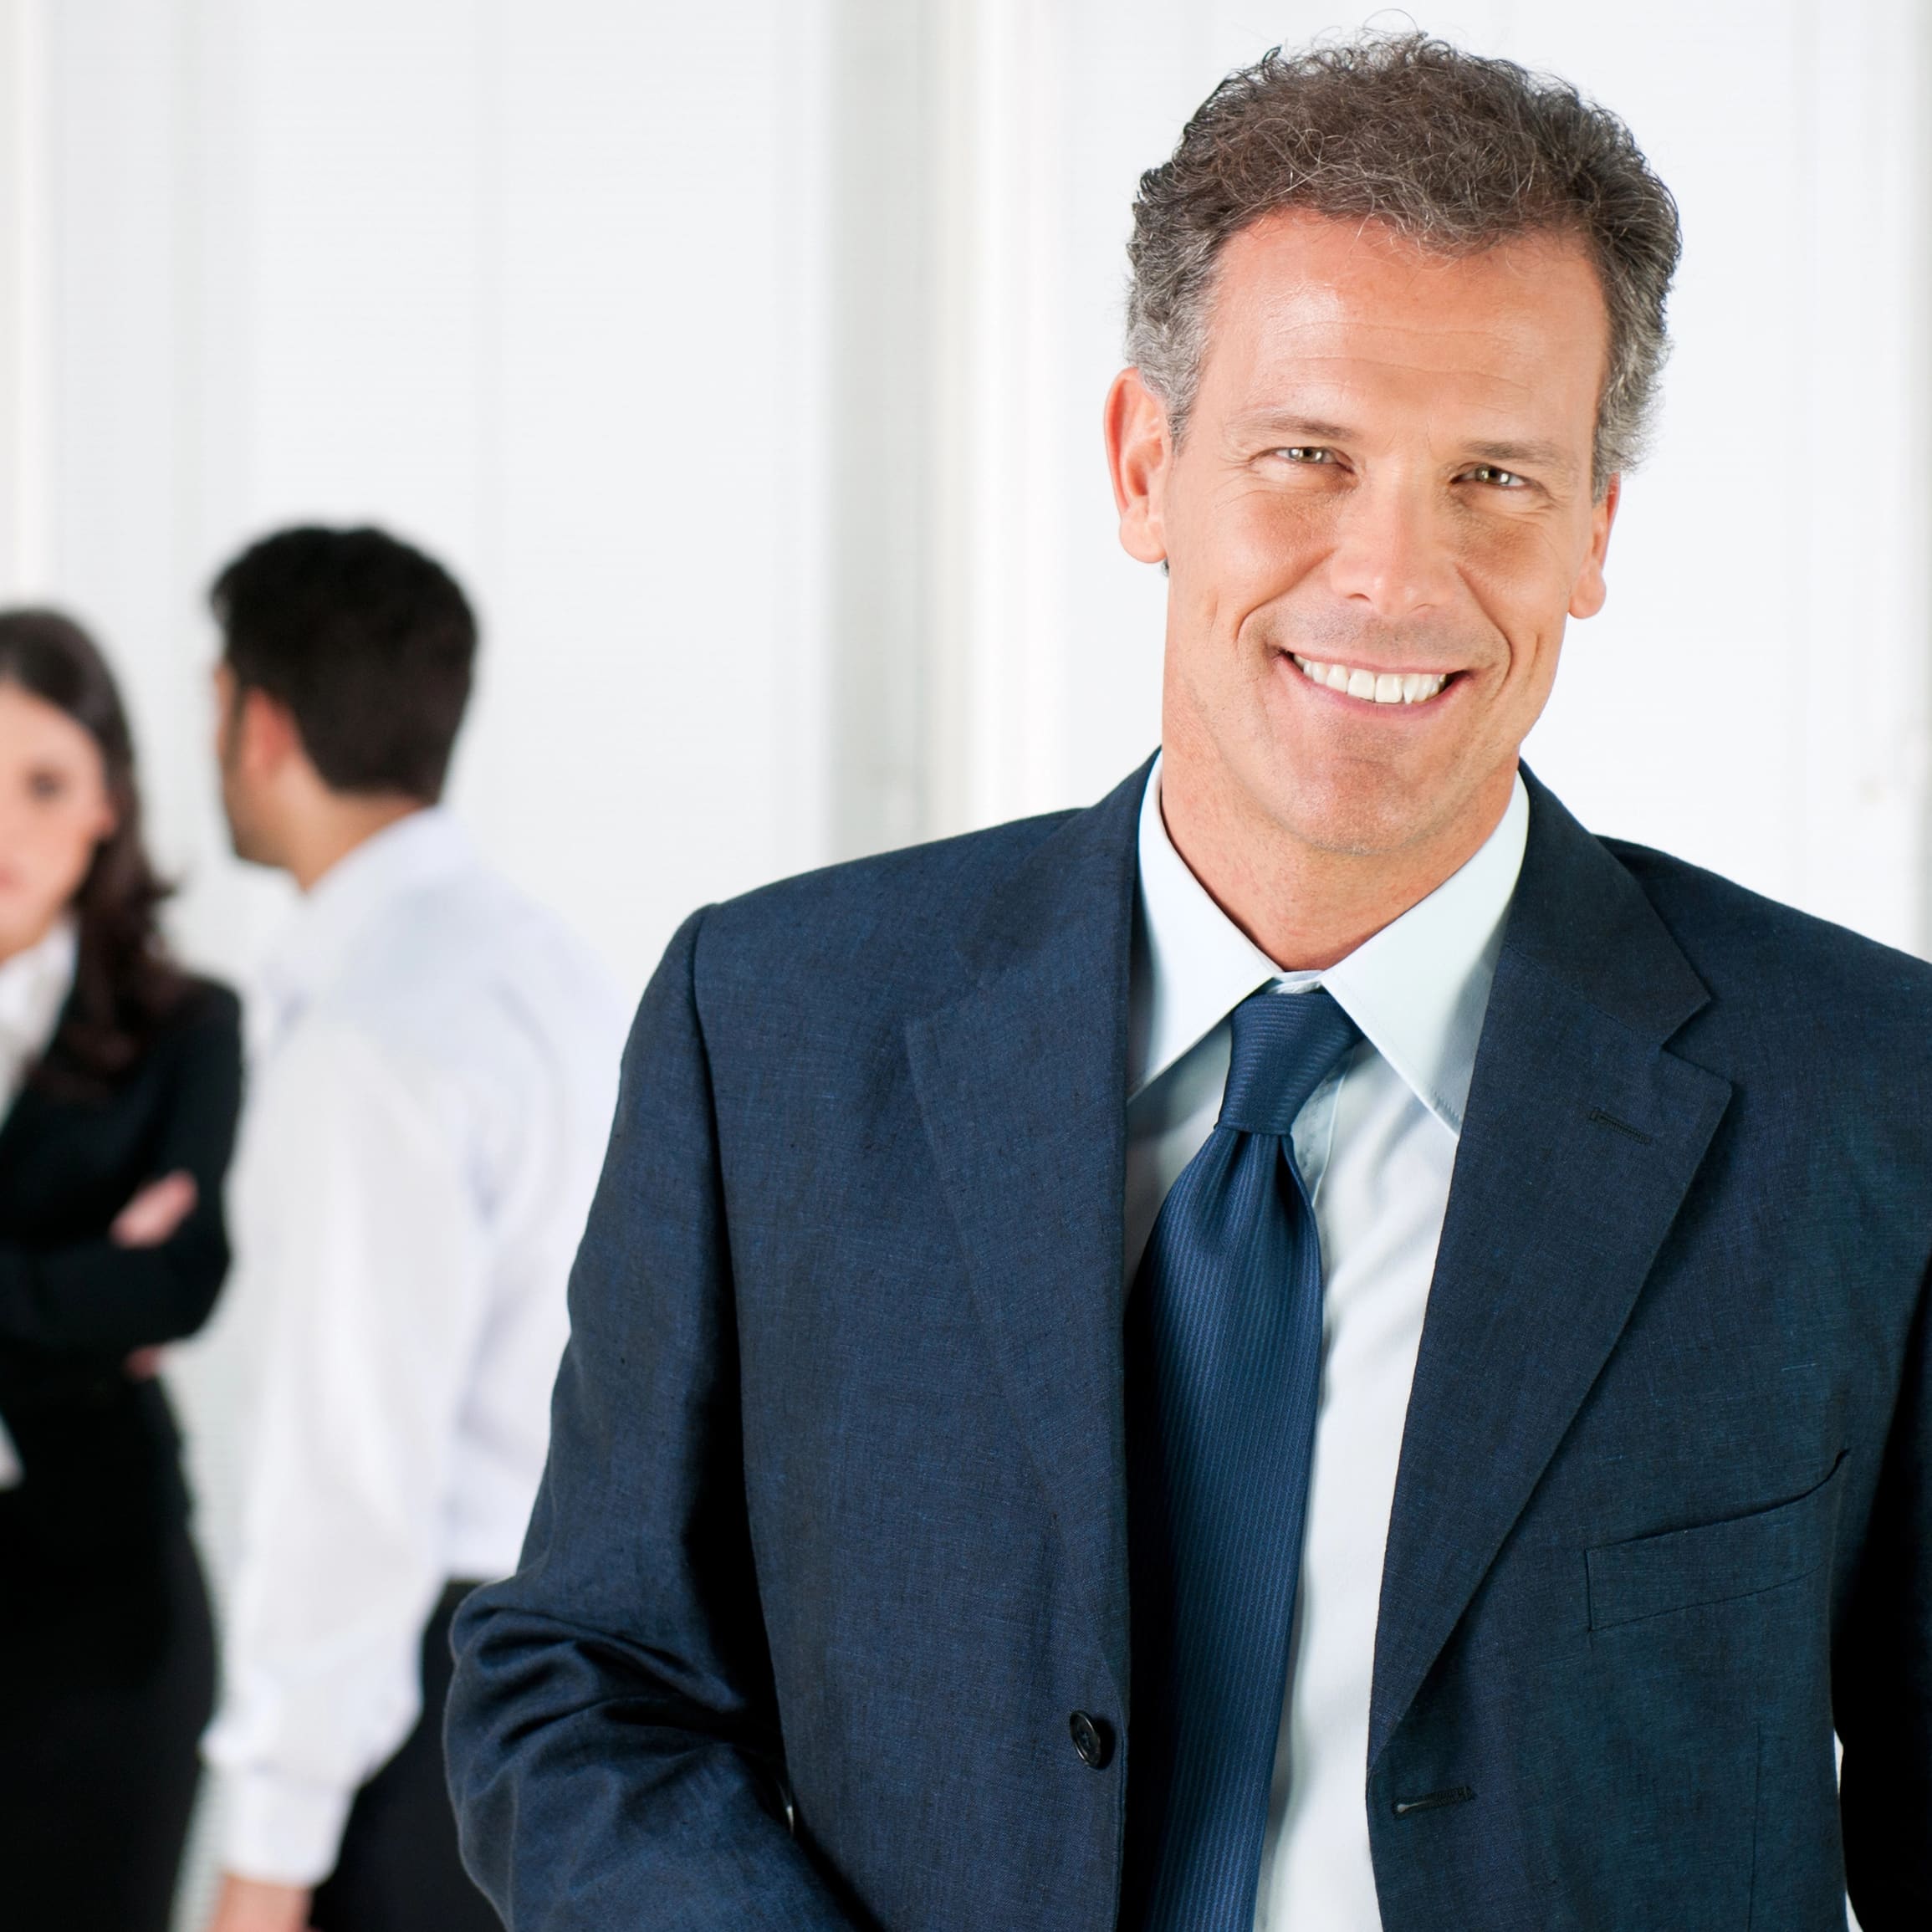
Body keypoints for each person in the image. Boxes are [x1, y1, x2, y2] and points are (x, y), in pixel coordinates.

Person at [445, 33, 1932, 1932]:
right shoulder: (778, 1030)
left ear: (1594, 535)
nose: (1392, 575)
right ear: (1148, 467)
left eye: (1493, 476)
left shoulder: (1868, 1101)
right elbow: (592, 1683)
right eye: (1307, 456)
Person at [196, 525, 626, 1932]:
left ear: (258, 725)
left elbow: (347, 1484)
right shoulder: (544, 963)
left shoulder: (370, 1037)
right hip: (569, 1682)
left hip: (416, 1727)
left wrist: (265, 1854)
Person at [0, 611, 243, 1932]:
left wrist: (125, 1286)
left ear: (107, 800)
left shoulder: (185, 1026)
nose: (6, 829)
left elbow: (177, 1282)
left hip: (101, 1627)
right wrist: (69, 1286)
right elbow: (112, 1294)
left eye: (42, 783)